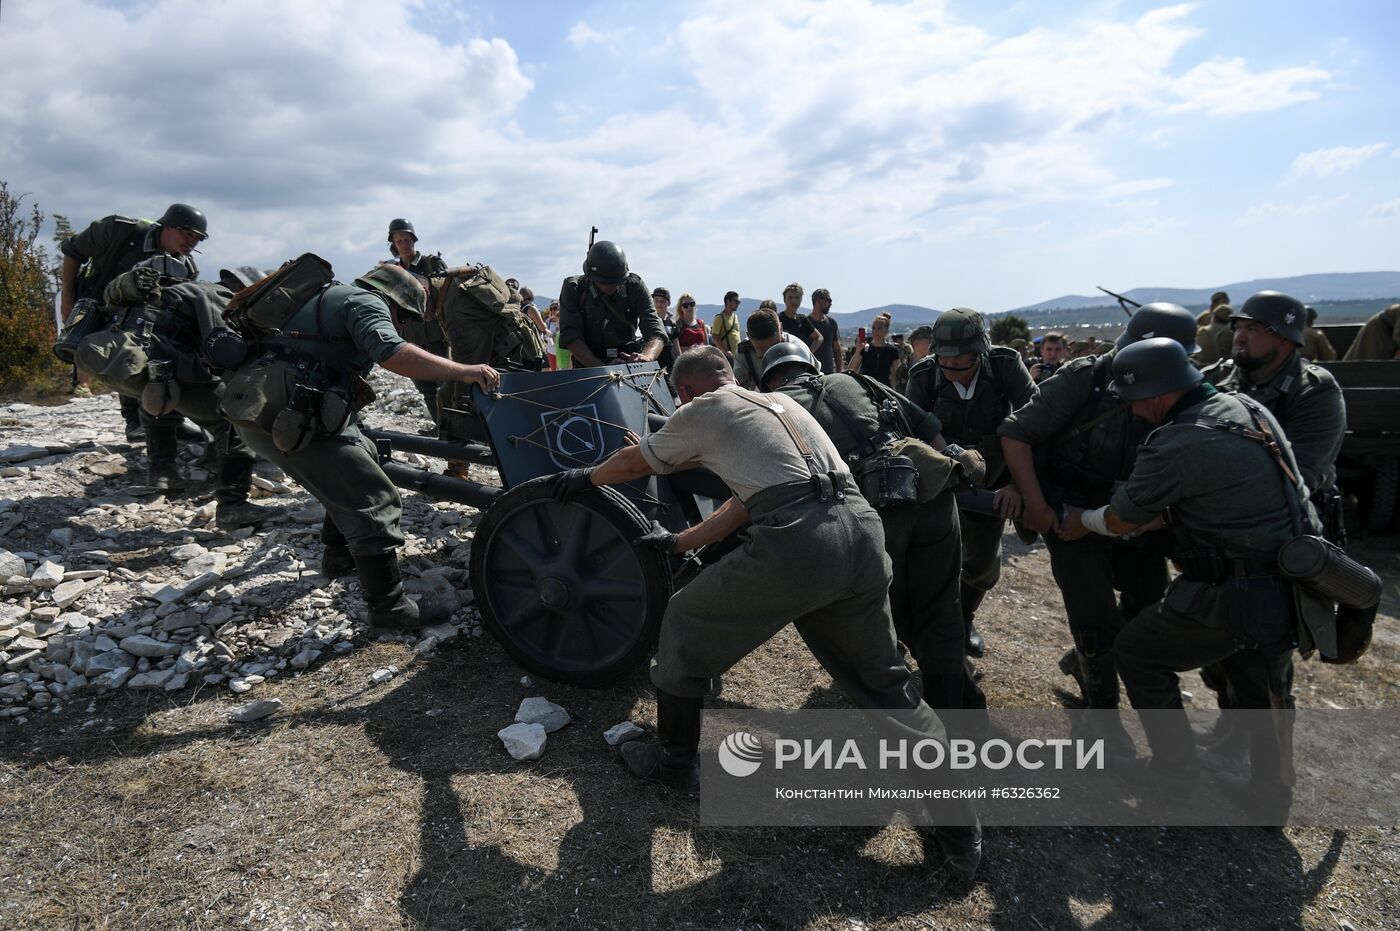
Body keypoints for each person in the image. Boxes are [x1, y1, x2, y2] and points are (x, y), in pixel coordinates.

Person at [550, 345, 981, 877]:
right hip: (863, 536)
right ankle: (962, 833)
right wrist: (683, 541)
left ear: (685, 393)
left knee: (683, 622)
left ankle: (674, 760)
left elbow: (638, 460)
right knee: (885, 684)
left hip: (802, 543)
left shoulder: (704, 409)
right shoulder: (781, 406)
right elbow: (744, 501)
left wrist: (585, 478)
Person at [1082, 337, 1323, 819]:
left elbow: (1121, 520)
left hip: (1233, 587)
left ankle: (1174, 772)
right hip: (1293, 579)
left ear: (1153, 395)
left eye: (1131, 402)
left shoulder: (1177, 439)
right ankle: (1272, 797)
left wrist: (1079, 518)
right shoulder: (1243, 406)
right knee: (1267, 687)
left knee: (1138, 653)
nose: (1131, 413)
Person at [224, 262, 499, 628]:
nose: (402, 324)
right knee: (374, 497)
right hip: (289, 416)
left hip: (262, 405)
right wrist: (464, 371)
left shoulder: (330, 296)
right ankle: (388, 607)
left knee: (362, 455)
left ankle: (338, 556)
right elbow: (393, 353)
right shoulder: (365, 302)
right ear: (396, 302)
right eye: (404, 317)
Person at [999, 304, 1198, 725]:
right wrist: (1036, 504)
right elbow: (1017, 432)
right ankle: (1101, 711)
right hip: (1071, 516)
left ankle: (1087, 662)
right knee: (1092, 617)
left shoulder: (1181, 391)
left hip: (1135, 519)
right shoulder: (1085, 379)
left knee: (1148, 608)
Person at [760, 340, 983, 714]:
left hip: (873, 512)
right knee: (942, 614)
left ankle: (916, 725)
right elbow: (931, 434)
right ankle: (962, 718)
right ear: (812, 366)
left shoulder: (775, 409)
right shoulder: (856, 380)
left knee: (885, 620)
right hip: (929, 486)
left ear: (770, 381)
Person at [1198, 291, 1346, 722]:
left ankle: (1271, 780)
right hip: (1217, 536)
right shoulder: (1221, 378)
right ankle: (1232, 729)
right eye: (1238, 328)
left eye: (1251, 329)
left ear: (1283, 338)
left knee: (1265, 662)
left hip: (1283, 539)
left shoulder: (1315, 392)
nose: (1238, 337)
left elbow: (1304, 473)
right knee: (1216, 650)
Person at [91, 258, 284, 528]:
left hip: (113, 363)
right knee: (233, 421)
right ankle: (233, 506)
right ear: (247, 289)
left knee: (161, 398)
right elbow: (226, 349)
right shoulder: (220, 296)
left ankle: (162, 472)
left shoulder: (182, 292)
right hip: (153, 364)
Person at [905, 308, 1035, 657]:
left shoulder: (1006, 368)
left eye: (959, 363)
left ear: (979, 352)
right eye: (943, 361)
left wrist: (1018, 487)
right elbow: (909, 434)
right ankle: (921, 627)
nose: (950, 371)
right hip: (939, 485)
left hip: (994, 487)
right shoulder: (924, 378)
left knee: (982, 565)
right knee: (927, 563)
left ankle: (964, 618)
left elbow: (1036, 426)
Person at [60, 203, 209, 443]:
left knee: (150, 353)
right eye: (186, 233)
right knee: (112, 356)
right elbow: (73, 251)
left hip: (140, 316)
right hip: (96, 301)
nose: (191, 242)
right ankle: (135, 422)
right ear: (167, 226)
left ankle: (167, 421)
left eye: (198, 238)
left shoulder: (185, 267)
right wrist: (67, 299)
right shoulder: (118, 230)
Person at [386, 218, 450, 431]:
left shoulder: (430, 264)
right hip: (409, 334)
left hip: (435, 332)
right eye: (399, 240)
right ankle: (440, 427)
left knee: (445, 382)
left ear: (414, 240)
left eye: (407, 239)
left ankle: (454, 428)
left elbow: (448, 291)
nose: (404, 243)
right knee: (424, 387)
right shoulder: (392, 270)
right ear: (393, 244)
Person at [558, 241, 665, 367]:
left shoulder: (634, 287)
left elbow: (654, 327)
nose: (611, 286)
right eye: (604, 282)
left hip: (629, 363)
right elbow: (571, 335)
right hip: (588, 365)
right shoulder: (574, 288)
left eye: (616, 282)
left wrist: (647, 356)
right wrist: (601, 367)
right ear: (591, 276)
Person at [731, 308, 794, 390]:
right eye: (762, 347)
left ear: (781, 329)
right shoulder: (745, 352)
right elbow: (737, 388)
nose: (768, 351)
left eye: (773, 346)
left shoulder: (796, 348)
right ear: (749, 337)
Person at [849, 313, 901, 386]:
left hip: (884, 389)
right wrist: (858, 350)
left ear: (887, 330)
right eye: (873, 328)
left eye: (879, 328)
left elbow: (896, 375)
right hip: (866, 388)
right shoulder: (865, 348)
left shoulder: (893, 351)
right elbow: (851, 370)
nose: (875, 331)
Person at [779, 282, 821, 356]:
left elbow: (819, 338)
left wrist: (808, 353)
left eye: (797, 297)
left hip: (800, 359)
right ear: (784, 300)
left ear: (801, 299)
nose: (794, 301)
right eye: (790, 297)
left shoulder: (803, 320)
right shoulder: (778, 319)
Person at [1193, 291, 1233, 366]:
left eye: (1227, 302)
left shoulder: (1227, 315)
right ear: (1215, 303)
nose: (1227, 304)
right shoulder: (1204, 317)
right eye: (1224, 302)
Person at [808, 288, 842, 374]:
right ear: (818, 300)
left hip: (829, 375)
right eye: (829, 300)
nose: (830, 304)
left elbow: (837, 349)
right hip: (810, 373)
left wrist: (839, 371)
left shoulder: (832, 323)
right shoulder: (805, 323)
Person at [651, 287, 679, 372]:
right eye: (656, 300)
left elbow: (676, 348)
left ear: (668, 303)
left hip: (670, 365)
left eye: (662, 301)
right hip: (654, 364)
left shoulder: (672, 324)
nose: (659, 303)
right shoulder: (649, 322)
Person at [710, 291, 742, 362]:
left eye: (738, 302)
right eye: (736, 301)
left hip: (737, 356)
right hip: (727, 357)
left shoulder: (735, 317)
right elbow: (715, 336)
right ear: (728, 301)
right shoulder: (719, 318)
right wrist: (725, 352)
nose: (738, 304)